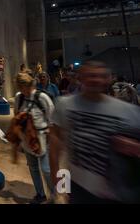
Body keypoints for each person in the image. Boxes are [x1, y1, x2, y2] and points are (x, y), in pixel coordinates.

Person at [49, 61, 140, 203]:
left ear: (109, 79)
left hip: (114, 193)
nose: (96, 79)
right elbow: (56, 146)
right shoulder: (64, 105)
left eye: (101, 76)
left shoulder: (127, 112)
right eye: (90, 75)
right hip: (78, 189)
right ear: (81, 77)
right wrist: (59, 184)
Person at [13, 73, 55, 204]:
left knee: (46, 169)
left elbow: (52, 118)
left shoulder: (42, 97)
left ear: (31, 85)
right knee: (33, 167)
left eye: (24, 87)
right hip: (27, 139)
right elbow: (16, 115)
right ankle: (40, 194)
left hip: (42, 139)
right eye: (20, 87)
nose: (23, 90)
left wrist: (51, 137)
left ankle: (54, 195)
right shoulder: (19, 98)